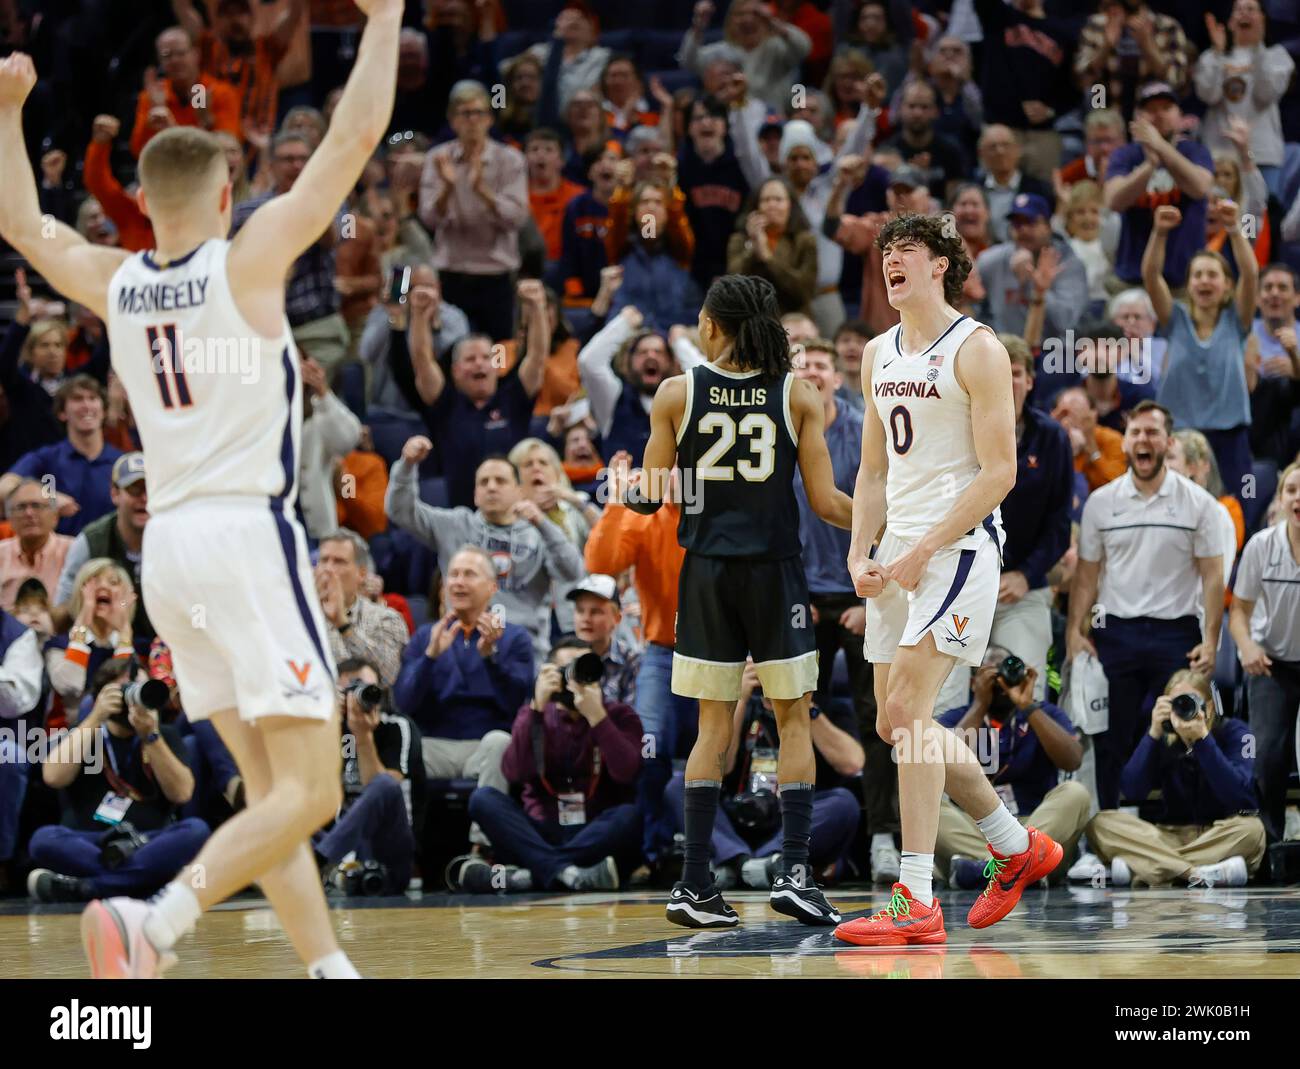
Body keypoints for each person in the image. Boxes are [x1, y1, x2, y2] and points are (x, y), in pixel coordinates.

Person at [0, 3, 402, 978]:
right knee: (309, 794)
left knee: (268, 789)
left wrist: (11, 110)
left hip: (166, 555)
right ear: (229, 198)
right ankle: (158, 923)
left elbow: (18, 222)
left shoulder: (116, 279)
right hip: (246, 537)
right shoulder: (251, 260)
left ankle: (326, 969)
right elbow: (353, 135)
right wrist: (386, 16)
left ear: (142, 200)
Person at [835, 211, 1053, 949]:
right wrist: (860, 552)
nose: (891, 261)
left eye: (907, 251)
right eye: (885, 252)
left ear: (941, 266)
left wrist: (926, 544)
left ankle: (916, 895)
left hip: (958, 550)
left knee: (906, 709)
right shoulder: (875, 353)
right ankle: (1015, 846)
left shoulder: (979, 348)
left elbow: (998, 474)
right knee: (902, 726)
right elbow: (870, 470)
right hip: (898, 554)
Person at [630, 273, 853, 928]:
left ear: (710, 327)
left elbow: (646, 492)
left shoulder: (676, 392)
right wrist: (890, 526)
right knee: (793, 719)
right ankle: (793, 871)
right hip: (775, 573)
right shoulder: (798, 393)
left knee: (711, 727)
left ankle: (694, 884)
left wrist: (633, 487)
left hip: (704, 576)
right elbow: (825, 503)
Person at [1067, 401, 1226, 812]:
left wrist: (1210, 640)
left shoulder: (1199, 503)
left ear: (1168, 442)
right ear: (1126, 442)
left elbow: (1212, 577)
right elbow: (1086, 575)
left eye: (1152, 433)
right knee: (1111, 733)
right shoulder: (1102, 503)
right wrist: (1073, 631)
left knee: (1178, 729)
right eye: (1136, 432)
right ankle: (1113, 829)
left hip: (1177, 634)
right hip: (1116, 631)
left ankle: (1176, 827)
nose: (1143, 440)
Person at [791, 338, 899, 883]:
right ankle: (796, 842)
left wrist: (868, 591)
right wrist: (792, 594)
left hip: (862, 586)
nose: (812, 373)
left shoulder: (862, 427)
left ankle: (883, 835)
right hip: (803, 593)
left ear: (837, 377)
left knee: (878, 713)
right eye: (802, 366)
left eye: (821, 366)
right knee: (793, 708)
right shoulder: (782, 433)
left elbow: (887, 502)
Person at [463, 637, 642, 893]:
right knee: (483, 799)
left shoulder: (619, 715)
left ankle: (538, 871)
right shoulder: (535, 713)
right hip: (542, 828)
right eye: (567, 670)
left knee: (630, 816)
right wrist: (535, 707)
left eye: (582, 669)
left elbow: (627, 773)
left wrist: (597, 717)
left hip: (594, 832)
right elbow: (514, 772)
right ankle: (571, 874)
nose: (574, 680)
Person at [663, 660, 863, 889]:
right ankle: (746, 861)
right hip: (736, 820)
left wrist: (801, 704)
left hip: (791, 821)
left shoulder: (822, 705)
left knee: (844, 803)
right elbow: (722, 766)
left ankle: (744, 863)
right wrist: (739, 699)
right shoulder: (739, 705)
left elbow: (852, 763)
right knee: (679, 786)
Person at [27, 657, 209, 903]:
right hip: (92, 843)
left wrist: (150, 736)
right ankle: (145, 880)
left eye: (140, 688)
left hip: (147, 840)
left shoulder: (164, 735)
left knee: (196, 831)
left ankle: (89, 888)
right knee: (44, 839)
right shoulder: (84, 733)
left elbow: (182, 794)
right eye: (123, 689)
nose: (132, 699)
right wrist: (94, 717)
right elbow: (53, 777)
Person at [386, 445, 584, 660]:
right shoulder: (456, 525)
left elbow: (573, 572)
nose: (491, 487)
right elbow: (400, 511)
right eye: (483, 482)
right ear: (475, 494)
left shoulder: (539, 532)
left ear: (519, 490)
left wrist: (542, 523)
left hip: (523, 650)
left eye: (500, 481)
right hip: (461, 647)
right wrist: (406, 466)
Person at [1081, 670, 1266, 888]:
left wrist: (1203, 740)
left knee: (1252, 830)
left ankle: (1145, 868)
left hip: (1218, 834)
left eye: (1192, 702)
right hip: (1166, 836)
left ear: (1210, 707)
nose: (1184, 710)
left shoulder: (1237, 732)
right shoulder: (1162, 736)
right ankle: (1196, 873)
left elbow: (1243, 798)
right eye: (1177, 703)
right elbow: (1132, 790)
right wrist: (1153, 733)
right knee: (1100, 823)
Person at [937, 645, 1088, 889]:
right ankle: (1021, 869)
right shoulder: (957, 717)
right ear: (974, 682)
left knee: (1075, 793)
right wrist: (979, 706)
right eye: (991, 675)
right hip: (980, 828)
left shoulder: (1045, 713)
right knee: (928, 804)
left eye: (1006, 671)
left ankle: (989, 869)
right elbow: (940, 765)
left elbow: (1072, 760)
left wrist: (1028, 707)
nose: (1001, 682)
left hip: (1036, 824)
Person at [393, 545, 532, 792]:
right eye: (453, 574)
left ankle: (485, 831)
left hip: (485, 745)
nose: (459, 582)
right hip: (434, 746)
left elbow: (516, 704)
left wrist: (491, 658)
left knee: (501, 743)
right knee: (398, 748)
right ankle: (410, 831)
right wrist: (430, 658)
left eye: (469, 574)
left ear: (492, 587)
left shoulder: (513, 637)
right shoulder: (427, 636)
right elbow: (403, 703)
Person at [1143, 201, 1256, 502]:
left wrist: (1234, 228)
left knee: (1239, 500)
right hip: (1181, 431)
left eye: (1212, 274)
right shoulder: (1174, 318)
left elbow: (1251, 274)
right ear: (1189, 284)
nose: (1205, 280)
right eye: (1198, 275)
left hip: (1231, 435)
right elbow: (1152, 276)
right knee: (1176, 501)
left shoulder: (1237, 320)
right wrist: (1159, 232)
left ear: (1227, 285)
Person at [230, 131, 352, 375]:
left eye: (303, 159)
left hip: (318, 329)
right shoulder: (245, 212)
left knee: (314, 400)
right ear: (271, 165)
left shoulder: (335, 203)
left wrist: (314, 200)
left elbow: (334, 240)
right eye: (287, 159)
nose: (297, 165)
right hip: (262, 328)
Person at [417, 80, 529, 342]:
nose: (472, 120)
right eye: (465, 114)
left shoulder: (510, 159)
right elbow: (429, 219)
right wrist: (448, 188)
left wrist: (482, 191)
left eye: (479, 113)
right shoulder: (438, 158)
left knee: (500, 352)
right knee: (453, 352)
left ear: (489, 119)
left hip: (496, 276)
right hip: (453, 275)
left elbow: (517, 218)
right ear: (453, 120)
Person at [1228, 462, 1300, 842]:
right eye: (1291, 490)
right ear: (1281, 500)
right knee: (1268, 755)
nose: (1298, 497)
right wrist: (1247, 646)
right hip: (1272, 663)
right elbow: (1238, 609)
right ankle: (1269, 844)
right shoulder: (1261, 545)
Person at [315, 657, 423, 896]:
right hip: (337, 834)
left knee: (384, 784)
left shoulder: (398, 726)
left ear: (382, 690)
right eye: (351, 691)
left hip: (385, 848)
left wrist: (362, 736)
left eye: (367, 689)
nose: (361, 698)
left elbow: (387, 791)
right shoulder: (328, 728)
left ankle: (322, 860)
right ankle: (325, 863)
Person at [1105, 82, 1214, 290]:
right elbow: (1114, 201)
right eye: (1151, 110)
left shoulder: (1195, 151)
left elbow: (1199, 188)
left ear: (1180, 115)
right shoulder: (1125, 155)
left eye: (1166, 108)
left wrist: (1160, 146)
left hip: (1185, 280)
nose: (1159, 115)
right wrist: (1150, 166)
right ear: (1138, 117)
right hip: (1133, 278)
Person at [1, 375, 123, 537]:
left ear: (104, 411)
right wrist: (49, 497)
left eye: (92, 398)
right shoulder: (46, 458)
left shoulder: (120, 461)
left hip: (109, 556)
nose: (86, 405)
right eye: (77, 399)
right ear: (62, 413)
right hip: (59, 555)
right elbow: (4, 487)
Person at [53, 452, 154, 650]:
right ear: (115, 493)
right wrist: (90, 601)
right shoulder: (90, 541)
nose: (144, 498)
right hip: (101, 648)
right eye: (134, 489)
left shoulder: (173, 542)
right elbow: (61, 612)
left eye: (150, 489)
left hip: (163, 649)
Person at [1194, 2, 1295, 197]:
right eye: (1239, 10)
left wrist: (1258, 50)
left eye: (1251, 9)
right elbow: (1208, 95)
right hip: (1220, 156)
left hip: (1261, 154)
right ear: (1231, 21)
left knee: (1254, 220)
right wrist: (1217, 52)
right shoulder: (1212, 57)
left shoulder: (1277, 56)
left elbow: (1266, 93)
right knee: (1223, 218)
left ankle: (1249, 230)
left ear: (1263, 19)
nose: (1244, 14)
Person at [976, 192, 1088, 339]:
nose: (1023, 229)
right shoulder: (990, 261)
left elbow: (1065, 322)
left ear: (1048, 226)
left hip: (1050, 352)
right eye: (1017, 223)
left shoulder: (1069, 264)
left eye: (1030, 222)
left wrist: (1032, 284)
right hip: (1002, 350)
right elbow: (974, 308)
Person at [129, 25, 242, 158]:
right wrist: (157, 110)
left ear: (196, 55)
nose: (175, 60)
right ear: (160, 61)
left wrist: (206, 120)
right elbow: (138, 151)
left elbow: (229, 151)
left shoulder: (220, 92)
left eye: (181, 53)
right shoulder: (152, 96)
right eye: (167, 55)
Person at [315, 529, 409, 687]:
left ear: (362, 573)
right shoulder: (296, 617)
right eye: (324, 560)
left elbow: (388, 677)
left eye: (339, 561)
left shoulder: (386, 619)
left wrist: (343, 625)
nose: (328, 569)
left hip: (363, 709)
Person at [0, 479, 72, 611]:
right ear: (8, 518)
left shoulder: (73, 552)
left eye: (36, 506)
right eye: (21, 507)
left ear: (55, 515)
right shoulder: (1, 554)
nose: (29, 513)